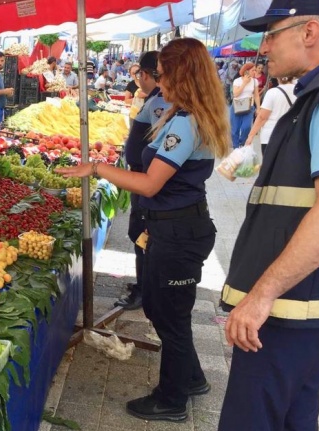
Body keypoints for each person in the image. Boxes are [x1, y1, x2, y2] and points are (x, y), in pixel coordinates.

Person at [57, 38, 230, 422]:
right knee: (162, 308)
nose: (158, 82)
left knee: (170, 317)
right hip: (172, 227)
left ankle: (171, 400)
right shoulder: (183, 114)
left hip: (178, 232)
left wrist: (97, 169)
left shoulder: (186, 122)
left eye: (164, 75)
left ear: (182, 76)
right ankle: (193, 379)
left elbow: (151, 183)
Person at [218, 2, 319, 430]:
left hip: (295, 306)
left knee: (251, 417)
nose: (264, 46)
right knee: (294, 414)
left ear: (309, 31)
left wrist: (261, 295)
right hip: (307, 302)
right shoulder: (316, 94)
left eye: (273, 33)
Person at [114, 51, 171, 311]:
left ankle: (146, 291)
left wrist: (98, 169)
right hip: (140, 174)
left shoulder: (163, 101)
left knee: (141, 233)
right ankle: (145, 286)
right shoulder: (155, 98)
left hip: (146, 179)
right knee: (138, 232)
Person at [245, 76, 297, 155]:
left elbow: (262, 117)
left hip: (271, 135)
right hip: (292, 135)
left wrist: (251, 135)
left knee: (269, 165)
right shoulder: (299, 92)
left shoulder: (272, 93)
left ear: (277, 78)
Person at [230, 62, 261, 148]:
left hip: (249, 107)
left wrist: (258, 108)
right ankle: (235, 147)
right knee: (235, 129)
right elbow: (235, 94)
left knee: (246, 127)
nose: (255, 72)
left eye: (255, 70)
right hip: (237, 107)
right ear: (246, 71)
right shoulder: (237, 81)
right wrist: (244, 83)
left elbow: (256, 95)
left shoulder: (255, 81)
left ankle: (242, 143)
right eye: (253, 70)